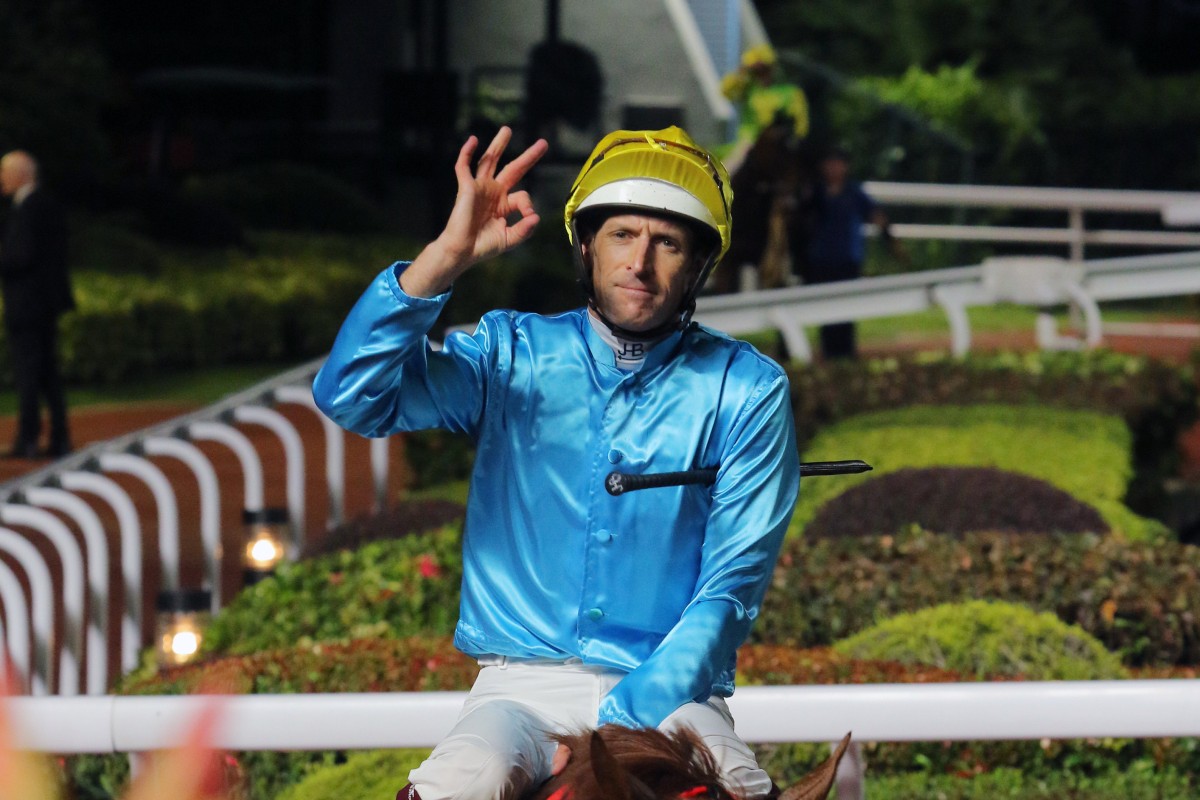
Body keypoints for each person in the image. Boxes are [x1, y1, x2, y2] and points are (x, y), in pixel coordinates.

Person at [312, 125, 800, 800]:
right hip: (518, 691)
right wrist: (445, 258)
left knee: (742, 787)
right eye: (622, 235)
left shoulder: (749, 388)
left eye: (667, 243)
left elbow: (731, 587)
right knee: (464, 781)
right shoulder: (509, 353)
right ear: (587, 245)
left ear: (696, 266)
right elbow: (349, 395)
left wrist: (620, 725)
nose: (640, 261)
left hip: (673, 694)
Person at [0, 150, 73, 459]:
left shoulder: (28, 208)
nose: (1, 179)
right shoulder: (47, 204)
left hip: (27, 304)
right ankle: (60, 438)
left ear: (21, 175)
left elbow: (21, 256)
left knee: (29, 373)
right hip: (45, 304)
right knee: (47, 372)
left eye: (4, 172)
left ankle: (28, 439)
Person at [798, 146, 901, 360]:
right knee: (825, 306)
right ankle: (829, 350)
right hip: (821, 258)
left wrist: (891, 240)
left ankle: (846, 350)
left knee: (847, 306)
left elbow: (876, 214)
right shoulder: (814, 193)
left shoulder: (854, 193)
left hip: (847, 258)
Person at [719, 45, 810, 173]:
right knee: (729, 168)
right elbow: (726, 92)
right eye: (756, 72)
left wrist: (795, 139)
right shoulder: (749, 89)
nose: (762, 75)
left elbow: (801, 123)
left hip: (781, 141)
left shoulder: (790, 92)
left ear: (772, 69)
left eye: (765, 70)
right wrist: (742, 72)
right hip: (749, 140)